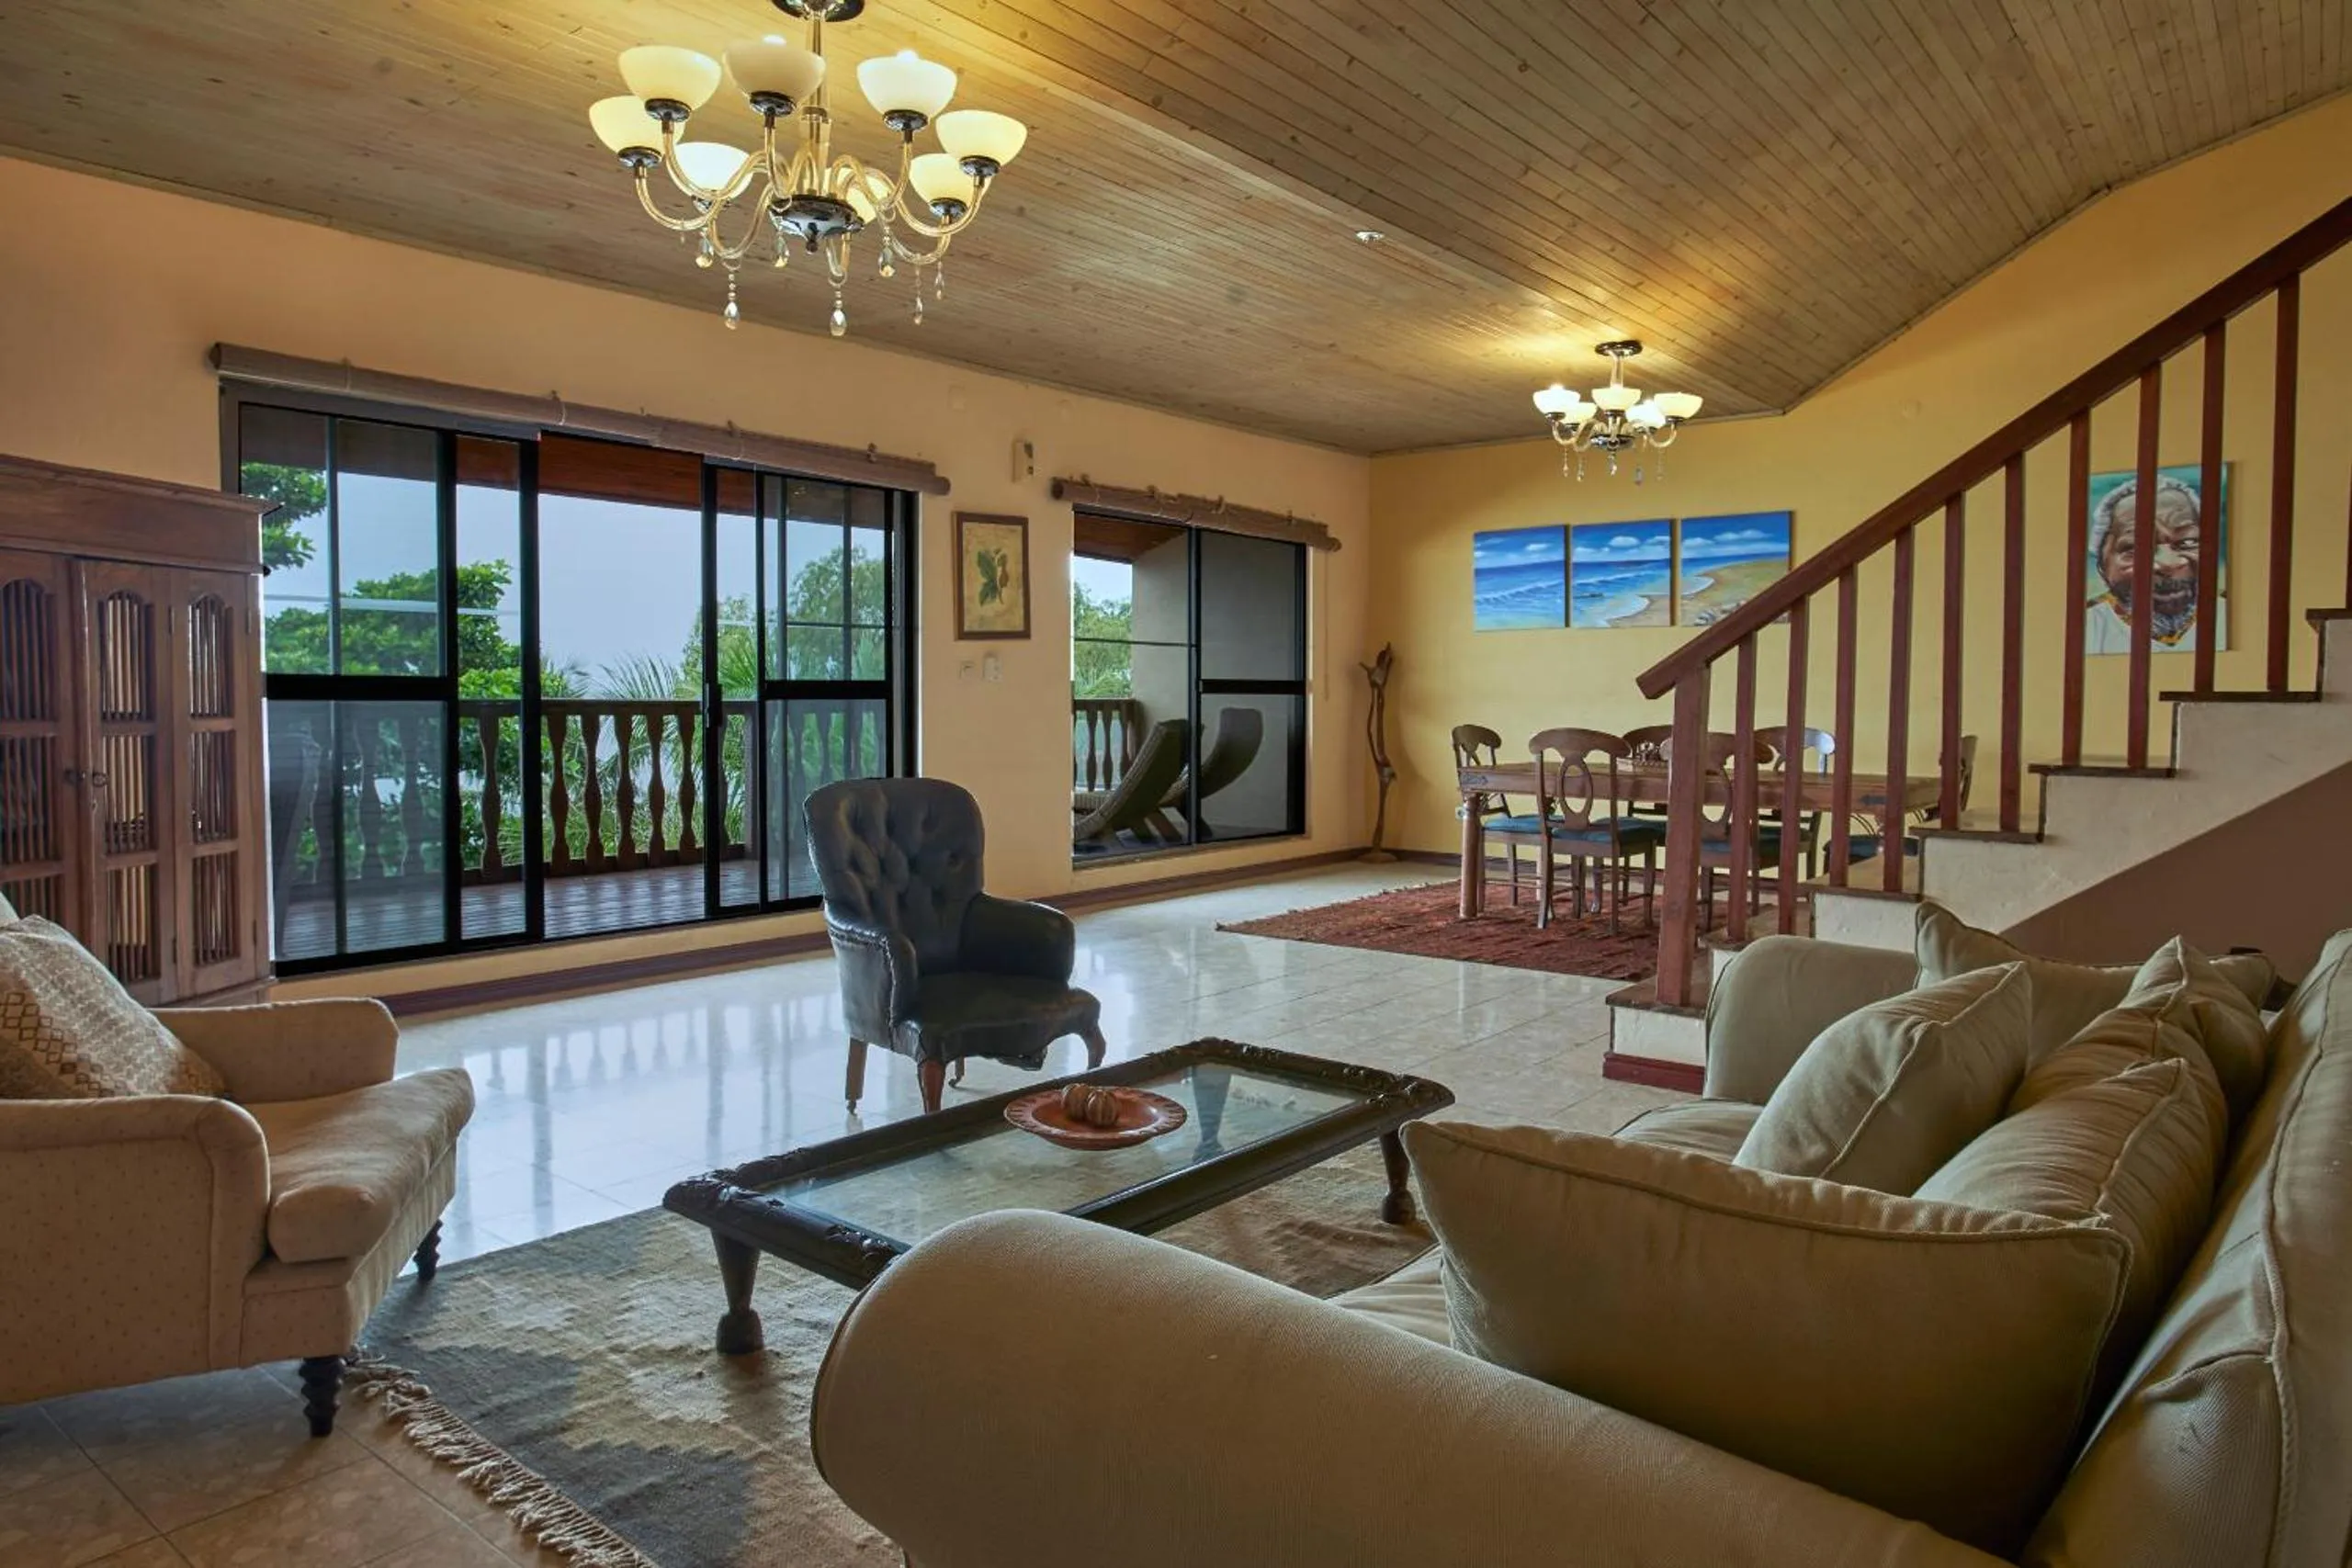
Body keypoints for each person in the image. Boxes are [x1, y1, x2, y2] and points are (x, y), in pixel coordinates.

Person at [2084, 473, 2212, 655]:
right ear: (2102, 564)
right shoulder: (2085, 627)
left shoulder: (2240, 616)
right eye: (2137, 548)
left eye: (2187, 542)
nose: (2168, 563)